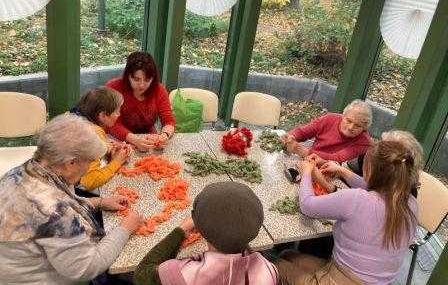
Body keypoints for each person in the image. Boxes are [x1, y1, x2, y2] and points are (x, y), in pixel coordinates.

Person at [0, 114, 143, 285]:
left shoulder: (26, 169)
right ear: (71, 163)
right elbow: (86, 268)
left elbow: (54, 204)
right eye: (90, 161)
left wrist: (99, 202)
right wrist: (125, 228)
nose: (89, 167)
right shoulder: (56, 213)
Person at [275, 140, 418, 285]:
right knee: (288, 255)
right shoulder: (411, 202)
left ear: (369, 170)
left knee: (275, 264)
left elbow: (307, 206)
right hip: (368, 280)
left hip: (340, 280)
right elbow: (373, 187)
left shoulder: (356, 199)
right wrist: (342, 171)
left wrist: (306, 172)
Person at [134, 181, 280, 285]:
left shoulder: (187, 273)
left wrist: (181, 230)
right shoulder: (269, 269)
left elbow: (142, 274)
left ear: (199, 227)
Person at [106, 51, 175, 151]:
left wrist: (164, 135)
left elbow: (169, 121)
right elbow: (112, 124)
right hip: (115, 139)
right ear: (128, 76)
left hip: (148, 137)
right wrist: (135, 140)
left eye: (147, 80)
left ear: (153, 78)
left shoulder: (159, 90)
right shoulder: (113, 87)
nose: (142, 85)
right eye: (137, 79)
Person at [70, 86, 133, 191]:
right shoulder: (93, 134)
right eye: (117, 111)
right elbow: (88, 182)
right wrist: (117, 162)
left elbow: (81, 150)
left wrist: (106, 148)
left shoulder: (73, 115)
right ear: (103, 115)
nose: (119, 114)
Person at [282, 100, 372, 164]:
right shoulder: (330, 118)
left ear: (364, 128)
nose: (350, 127)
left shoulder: (364, 142)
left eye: (358, 125)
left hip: (332, 175)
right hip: (308, 163)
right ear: (343, 116)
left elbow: (337, 159)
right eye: (348, 121)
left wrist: (301, 150)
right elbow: (303, 132)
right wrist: (291, 136)